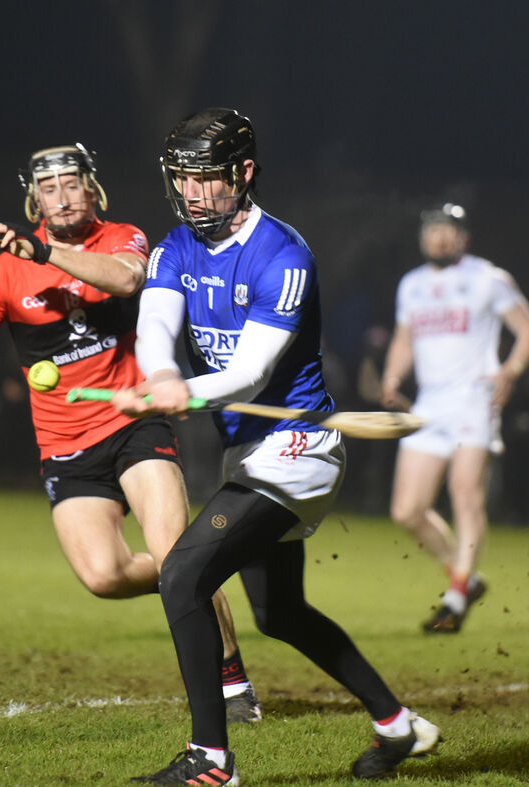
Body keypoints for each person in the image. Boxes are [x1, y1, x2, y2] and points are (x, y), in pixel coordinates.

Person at [113, 108, 438, 785]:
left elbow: (252, 371)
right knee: (279, 611)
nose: (194, 192)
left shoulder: (284, 256)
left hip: (299, 447)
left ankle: (211, 761)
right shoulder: (173, 250)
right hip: (246, 453)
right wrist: (164, 375)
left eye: (207, 178)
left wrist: (190, 390)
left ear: (245, 173)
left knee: (181, 574)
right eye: (184, 178)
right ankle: (398, 725)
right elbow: (154, 331)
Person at [0, 143, 261, 723]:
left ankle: (229, 679)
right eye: (50, 189)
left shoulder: (122, 237)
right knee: (104, 576)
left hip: (136, 422)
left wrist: (47, 251)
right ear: (34, 199)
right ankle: (196, 572)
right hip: (66, 445)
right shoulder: (4, 271)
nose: (63, 197)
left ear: (92, 189)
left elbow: (125, 281)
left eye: (73, 184)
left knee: (174, 551)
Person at [379, 203, 529, 634]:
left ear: (464, 238)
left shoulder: (488, 279)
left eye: (448, 231)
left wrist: (509, 372)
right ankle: (466, 577)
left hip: (475, 400)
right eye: (433, 230)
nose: (439, 238)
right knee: (407, 510)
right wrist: (393, 377)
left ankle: (454, 598)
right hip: (429, 405)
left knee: (465, 491)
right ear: (422, 238)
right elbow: (404, 338)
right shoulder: (411, 286)